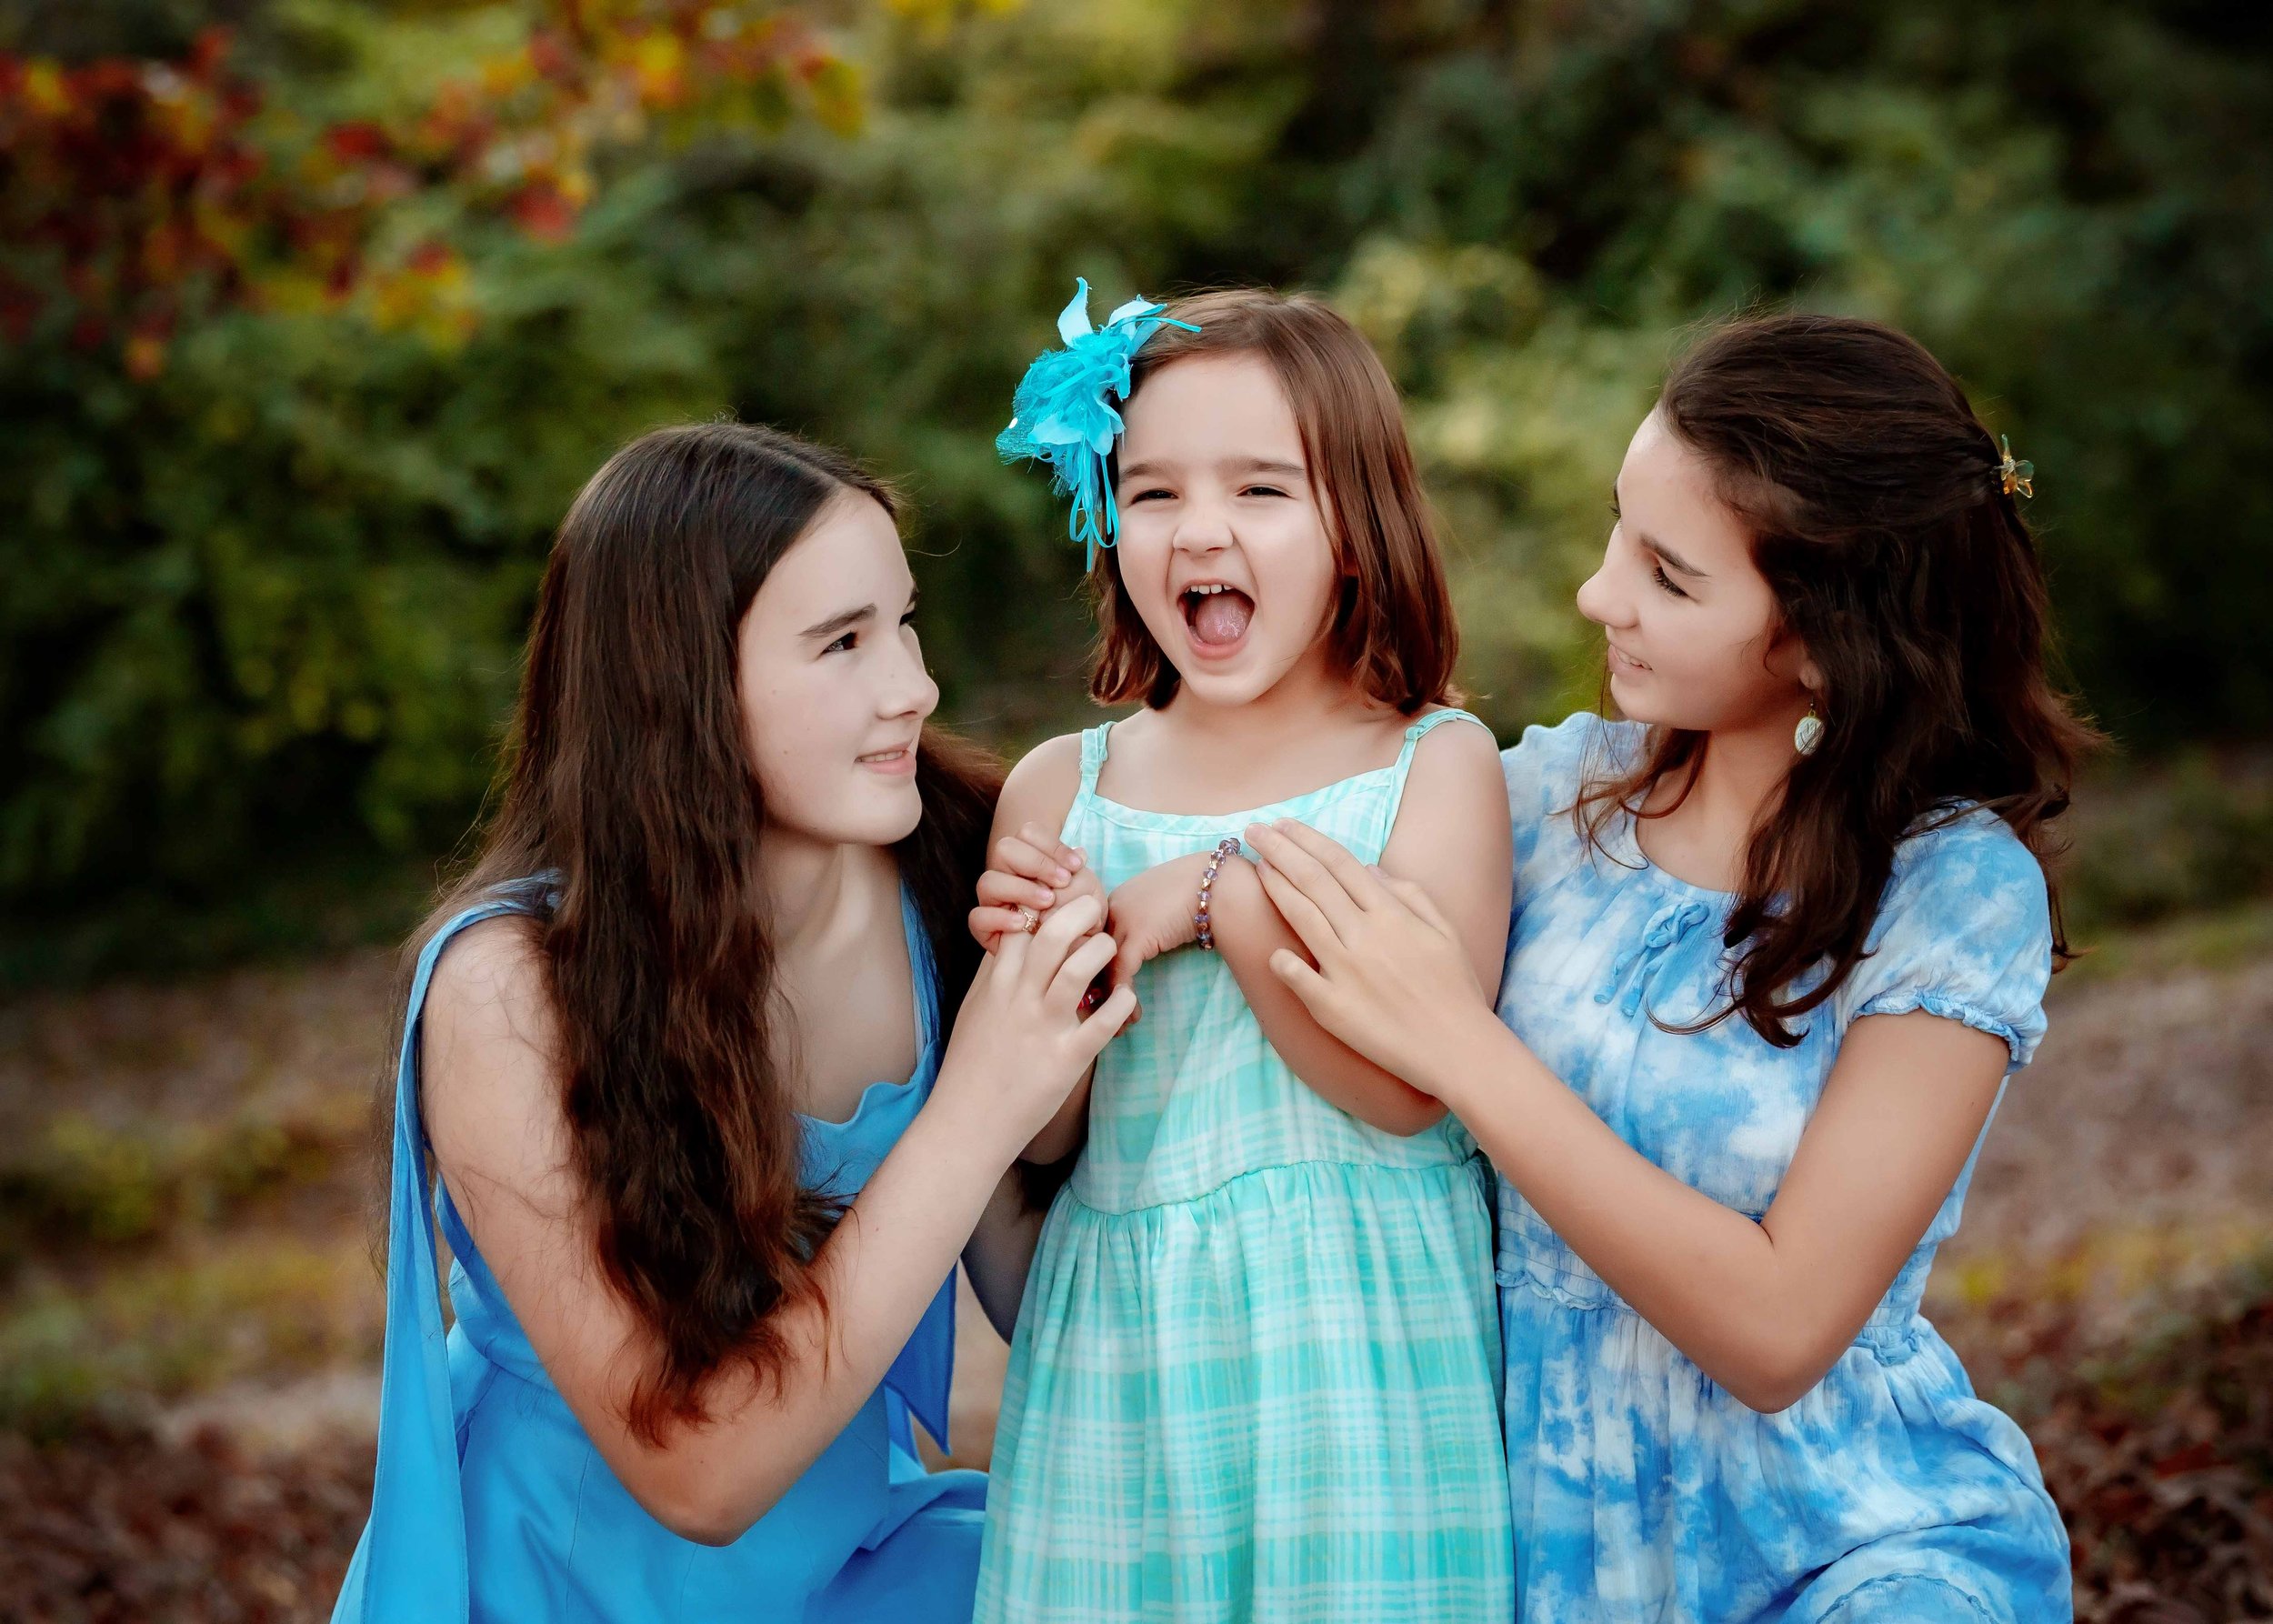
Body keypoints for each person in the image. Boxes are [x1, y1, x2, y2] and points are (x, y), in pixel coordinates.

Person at [1241, 314, 2088, 1622]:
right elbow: (1273, 834)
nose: (1599, 595)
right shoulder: (1534, 798)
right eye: (1618, 533)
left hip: (1850, 1547)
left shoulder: (1955, 891)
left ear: (1818, 638)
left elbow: (1779, 1330)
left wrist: (1460, 1046)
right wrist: (1133, 877)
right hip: (1533, 1550)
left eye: (1669, 576)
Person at [334, 422, 1134, 1623]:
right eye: (843, 641)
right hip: (556, 1578)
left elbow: (1042, 1306)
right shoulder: (506, 993)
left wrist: (1064, 1102)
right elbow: (697, 1471)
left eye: (904, 622)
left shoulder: (951, 868)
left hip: (848, 1562)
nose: (913, 683)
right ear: (684, 686)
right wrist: (978, 1106)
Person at [968, 285, 1516, 1623]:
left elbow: (1412, 1084)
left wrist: (1218, 897)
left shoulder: (1433, 769)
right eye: (1151, 493)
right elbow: (1039, 1146)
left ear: (1356, 524)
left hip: (1363, 1365)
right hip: (1121, 1359)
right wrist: (1044, 976)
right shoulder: (1061, 788)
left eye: (1262, 489)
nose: (1199, 529)